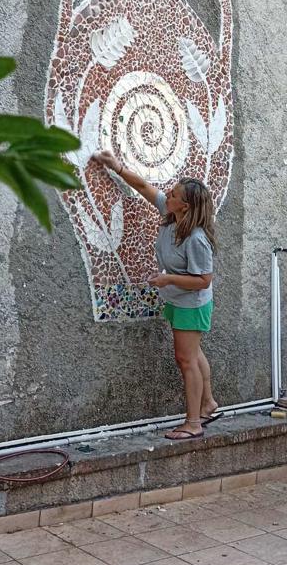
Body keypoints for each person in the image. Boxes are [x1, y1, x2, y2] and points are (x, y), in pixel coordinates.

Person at [92, 151, 221, 440]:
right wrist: (117, 167)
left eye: (173, 194)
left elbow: (203, 280)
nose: (167, 195)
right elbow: (143, 187)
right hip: (177, 299)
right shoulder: (172, 215)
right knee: (193, 354)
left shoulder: (196, 239)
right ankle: (208, 403)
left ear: (185, 206)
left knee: (185, 360)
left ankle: (193, 423)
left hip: (191, 303)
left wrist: (168, 279)